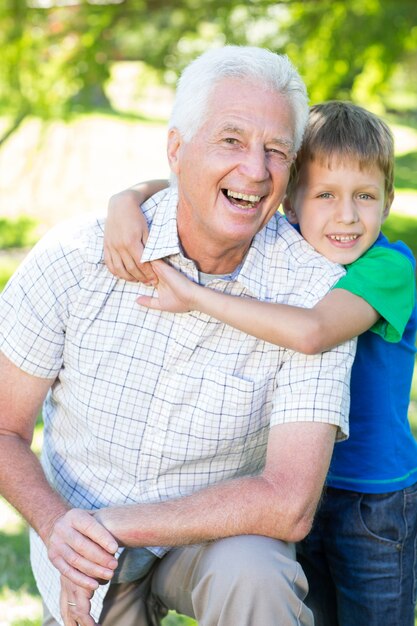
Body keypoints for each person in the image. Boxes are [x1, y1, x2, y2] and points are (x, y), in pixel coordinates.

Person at [0, 48, 356, 626]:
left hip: (214, 532)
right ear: (175, 150)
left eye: (276, 151)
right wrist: (58, 526)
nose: (256, 170)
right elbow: (3, 426)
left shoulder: (317, 296)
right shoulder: (77, 256)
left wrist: (119, 522)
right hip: (83, 529)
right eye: (231, 141)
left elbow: (289, 504)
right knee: (95, 592)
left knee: (258, 577)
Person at [103, 101, 417, 626]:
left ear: (387, 202)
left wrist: (196, 297)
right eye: (325, 195)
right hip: (287, 487)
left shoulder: (389, 267)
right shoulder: (285, 249)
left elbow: (313, 332)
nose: (346, 216)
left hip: (371, 502)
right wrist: (126, 199)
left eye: (365, 197)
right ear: (289, 203)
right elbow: (189, 187)